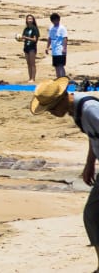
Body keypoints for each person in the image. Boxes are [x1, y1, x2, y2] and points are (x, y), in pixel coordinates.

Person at [29, 76, 99, 270]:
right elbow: (94, 138)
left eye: (51, 108)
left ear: (62, 99)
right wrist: (89, 163)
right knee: (93, 215)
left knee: (93, 213)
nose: (51, 114)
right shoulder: (76, 111)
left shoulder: (89, 110)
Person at [24, 15, 43, 83]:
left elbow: (35, 39)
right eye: (28, 18)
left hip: (32, 47)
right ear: (26, 20)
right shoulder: (26, 29)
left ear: (33, 20)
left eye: (31, 18)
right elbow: (24, 37)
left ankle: (33, 78)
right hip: (26, 47)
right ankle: (29, 78)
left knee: (32, 63)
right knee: (28, 63)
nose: (29, 19)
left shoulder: (34, 28)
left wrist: (26, 38)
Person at [53, 14, 72, 79]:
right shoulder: (51, 28)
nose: (55, 21)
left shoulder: (62, 28)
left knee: (61, 66)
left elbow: (65, 38)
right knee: (56, 66)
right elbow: (50, 38)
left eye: (56, 20)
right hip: (54, 51)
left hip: (60, 50)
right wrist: (47, 47)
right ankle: (58, 79)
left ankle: (63, 79)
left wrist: (64, 48)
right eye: (54, 20)